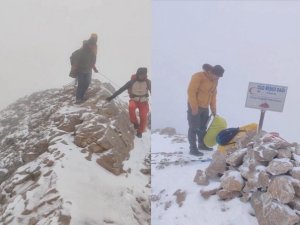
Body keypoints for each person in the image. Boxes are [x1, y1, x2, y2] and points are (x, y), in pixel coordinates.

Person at [187, 64, 224, 156]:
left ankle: (201, 145)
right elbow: (191, 92)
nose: (217, 78)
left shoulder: (215, 81)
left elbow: (213, 95)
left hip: (205, 107)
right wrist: (194, 107)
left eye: (219, 77)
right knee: (194, 128)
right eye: (217, 76)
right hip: (195, 106)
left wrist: (214, 110)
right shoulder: (198, 76)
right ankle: (193, 148)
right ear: (211, 72)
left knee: (203, 127)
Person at [106, 67, 151, 138]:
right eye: (140, 75)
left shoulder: (148, 82)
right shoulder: (131, 82)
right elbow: (121, 89)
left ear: (145, 75)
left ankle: (140, 131)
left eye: (143, 75)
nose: (142, 76)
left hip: (143, 102)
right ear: (138, 74)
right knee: (131, 107)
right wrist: (112, 97)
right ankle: (135, 123)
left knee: (143, 116)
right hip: (134, 100)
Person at [70, 33, 99, 104]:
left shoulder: (94, 48)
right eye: (93, 38)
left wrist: (94, 69)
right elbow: (73, 56)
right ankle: (78, 98)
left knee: (87, 84)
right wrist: (75, 66)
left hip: (88, 70)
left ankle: (81, 97)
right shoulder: (84, 48)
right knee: (81, 84)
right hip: (81, 70)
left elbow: (92, 61)